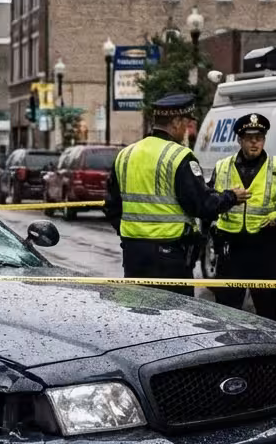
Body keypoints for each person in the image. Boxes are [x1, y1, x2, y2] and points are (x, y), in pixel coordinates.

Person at [104, 93, 251, 295]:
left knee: (138, 315)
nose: (187, 129)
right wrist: (231, 196)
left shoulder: (126, 154)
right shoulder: (178, 156)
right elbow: (202, 205)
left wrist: (130, 234)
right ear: (175, 122)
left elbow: (111, 206)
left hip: (133, 255)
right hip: (169, 258)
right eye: (186, 124)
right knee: (174, 319)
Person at [207, 113, 276, 320]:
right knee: (226, 312)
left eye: (259, 137)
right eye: (249, 138)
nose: (255, 142)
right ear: (240, 140)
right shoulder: (222, 167)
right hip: (231, 249)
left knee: (268, 313)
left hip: (265, 248)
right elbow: (208, 205)